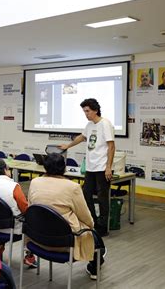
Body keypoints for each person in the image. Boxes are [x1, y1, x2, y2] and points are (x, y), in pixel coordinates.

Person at [28, 153, 106, 280]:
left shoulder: (35, 182)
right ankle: (94, 267)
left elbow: (30, 208)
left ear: (45, 167)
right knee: (95, 238)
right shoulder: (72, 187)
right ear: (64, 168)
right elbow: (86, 217)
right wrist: (91, 227)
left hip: (38, 238)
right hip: (64, 242)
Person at [59, 98, 115, 236]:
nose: (86, 114)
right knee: (86, 194)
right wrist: (68, 146)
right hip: (91, 167)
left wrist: (108, 167)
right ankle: (93, 222)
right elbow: (82, 137)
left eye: (88, 111)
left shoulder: (105, 124)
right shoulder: (90, 125)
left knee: (102, 198)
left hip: (102, 167)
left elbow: (111, 146)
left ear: (95, 110)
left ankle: (103, 227)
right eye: (84, 111)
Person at [0, 158, 36, 267]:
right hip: (11, 229)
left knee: (1, 213)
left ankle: (0, 247)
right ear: (5, 170)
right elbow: (25, 209)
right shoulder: (14, 186)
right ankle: (29, 256)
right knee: (29, 220)